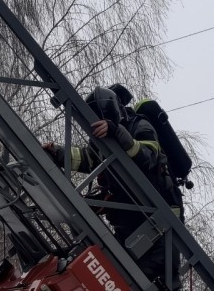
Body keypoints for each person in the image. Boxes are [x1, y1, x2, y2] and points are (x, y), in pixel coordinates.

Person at [43, 86, 183, 289]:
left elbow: (148, 157)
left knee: (159, 275)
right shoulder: (103, 138)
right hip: (128, 222)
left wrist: (118, 133)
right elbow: (87, 158)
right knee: (117, 273)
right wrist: (57, 152)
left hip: (160, 221)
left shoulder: (139, 125)